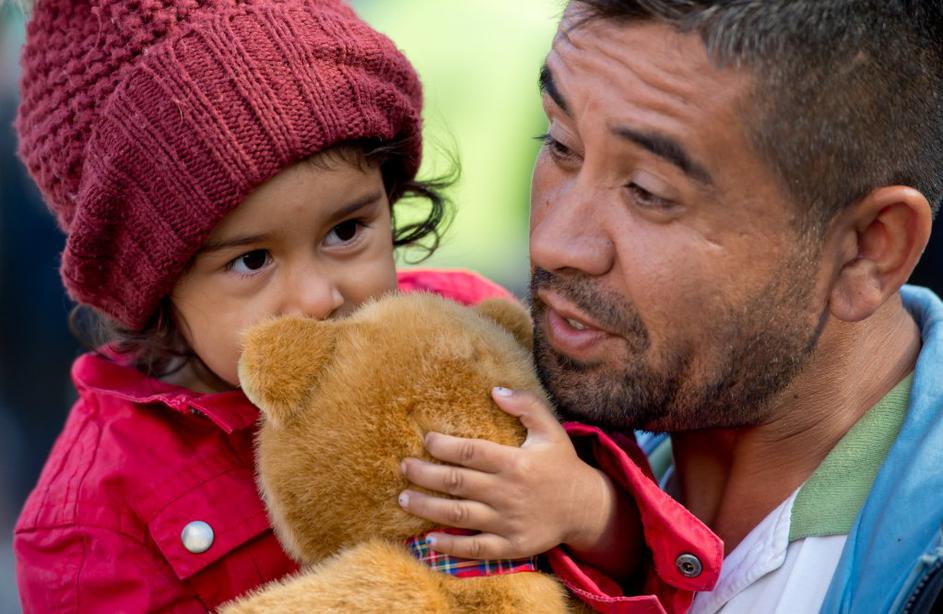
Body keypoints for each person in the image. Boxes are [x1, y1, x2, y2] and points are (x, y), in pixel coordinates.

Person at [12, 0, 721, 612]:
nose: (318, 296)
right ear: (155, 285)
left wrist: (586, 513)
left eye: (346, 231)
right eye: (251, 260)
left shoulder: (463, 330)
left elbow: (663, 564)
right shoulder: (95, 510)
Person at [402, 1, 943, 613]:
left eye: (649, 192)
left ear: (868, 249)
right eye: (560, 143)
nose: (554, 242)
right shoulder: (505, 428)